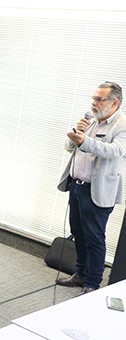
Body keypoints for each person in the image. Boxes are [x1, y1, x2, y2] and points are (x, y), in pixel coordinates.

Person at [56, 81, 126, 296]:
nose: (94, 102)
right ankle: (80, 274)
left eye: (99, 99)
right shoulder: (91, 121)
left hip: (97, 191)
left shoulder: (122, 125)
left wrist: (84, 141)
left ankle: (93, 283)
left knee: (95, 237)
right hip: (77, 187)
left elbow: (115, 150)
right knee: (78, 233)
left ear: (114, 103)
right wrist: (77, 133)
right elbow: (70, 147)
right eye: (94, 98)